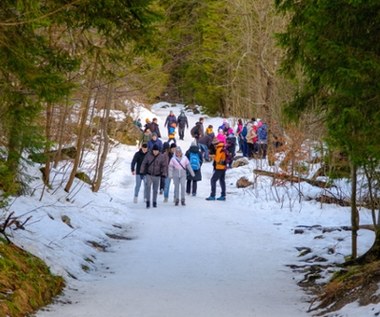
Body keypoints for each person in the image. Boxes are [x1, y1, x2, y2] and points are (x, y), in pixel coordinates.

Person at [140, 144, 168, 208]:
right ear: (152, 150)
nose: (155, 152)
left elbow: (164, 166)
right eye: (154, 151)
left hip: (157, 175)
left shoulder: (161, 156)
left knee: (155, 190)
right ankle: (148, 201)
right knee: (148, 187)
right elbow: (143, 163)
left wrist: (164, 174)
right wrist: (142, 172)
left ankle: (154, 201)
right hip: (149, 174)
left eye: (156, 151)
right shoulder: (148, 155)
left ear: (158, 151)